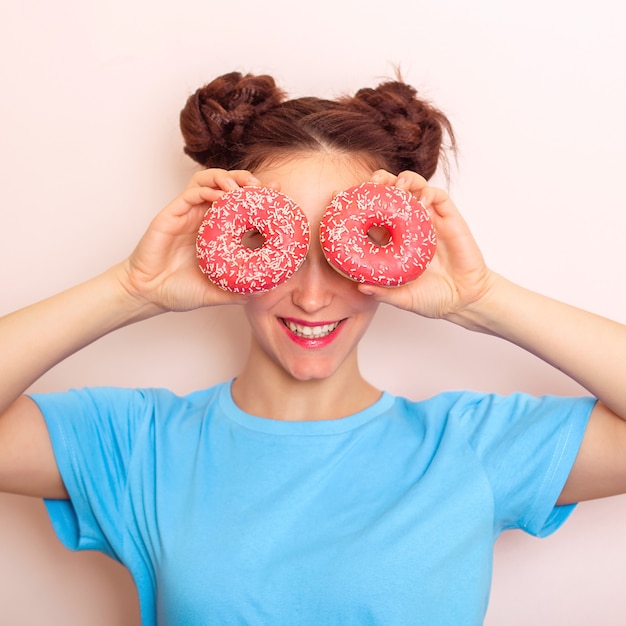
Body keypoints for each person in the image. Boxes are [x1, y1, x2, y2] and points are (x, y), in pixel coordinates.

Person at [1, 70, 625, 625]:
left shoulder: (470, 447)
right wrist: (131, 290)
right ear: (231, 246)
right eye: (277, 247)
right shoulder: (140, 446)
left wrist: (481, 297)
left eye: (345, 248)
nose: (311, 295)